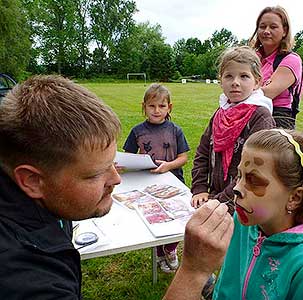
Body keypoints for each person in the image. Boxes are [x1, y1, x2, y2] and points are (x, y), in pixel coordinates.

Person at [0, 75, 234, 299]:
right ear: (32, 181)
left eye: (112, 164)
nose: (116, 179)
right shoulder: (25, 280)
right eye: (95, 173)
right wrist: (193, 272)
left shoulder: (40, 201)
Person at [212, 129, 303, 299]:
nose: (237, 189)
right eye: (239, 176)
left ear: (294, 197)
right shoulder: (244, 223)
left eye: (254, 181)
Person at [191, 46, 275, 216]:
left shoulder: (261, 117)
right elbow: (203, 152)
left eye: (244, 76)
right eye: (229, 76)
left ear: (257, 81)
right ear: (220, 80)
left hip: (246, 205)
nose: (235, 82)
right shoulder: (220, 113)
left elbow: (255, 169)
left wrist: (222, 201)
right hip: (215, 199)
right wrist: (200, 188)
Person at [123, 83, 190, 273]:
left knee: (177, 217)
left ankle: (170, 248)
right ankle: (160, 254)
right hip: (147, 183)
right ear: (143, 107)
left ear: (169, 107)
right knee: (155, 217)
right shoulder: (137, 131)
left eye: (161, 106)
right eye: (152, 106)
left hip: (173, 180)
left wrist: (168, 166)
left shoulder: (175, 130)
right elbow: (129, 156)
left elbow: (183, 157)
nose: (156, 110)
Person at [249, 6, 303, 129]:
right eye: (262, 26)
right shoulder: (252, 58)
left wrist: (234, 94)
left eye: (273, 27)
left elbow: (267, 93)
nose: (266, 31)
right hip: (249, 113)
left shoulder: (291, 60)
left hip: (277, 120)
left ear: (285, 31)